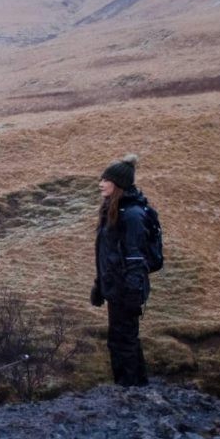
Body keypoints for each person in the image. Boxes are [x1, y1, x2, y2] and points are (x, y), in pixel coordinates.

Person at [90, 154, 151, 387]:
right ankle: (135, 388)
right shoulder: (112, 210)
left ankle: (130, 391)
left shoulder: (132, 215)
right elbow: (107, 255)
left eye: (106, 180)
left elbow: (136, 257)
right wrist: (100, 286)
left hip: (126, 291)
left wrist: (133, 294)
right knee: (121, 340)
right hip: (116, 288)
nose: (101, 183)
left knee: (123, 341)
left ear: (118, 184)